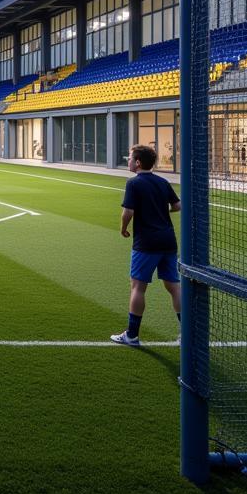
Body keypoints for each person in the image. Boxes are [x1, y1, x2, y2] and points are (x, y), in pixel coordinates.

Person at [111, 143, 182, 348]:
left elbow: (128, 212)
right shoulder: (162, 181)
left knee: (138, 287)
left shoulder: (133, 183)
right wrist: (160, 212)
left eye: (130, 158)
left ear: (138, 162)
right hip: (168, 241)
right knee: (174, 287)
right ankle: (187, 333)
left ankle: (132, 335)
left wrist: (123, 227)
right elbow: (177, 206)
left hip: (147, 243)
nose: (128, 161)